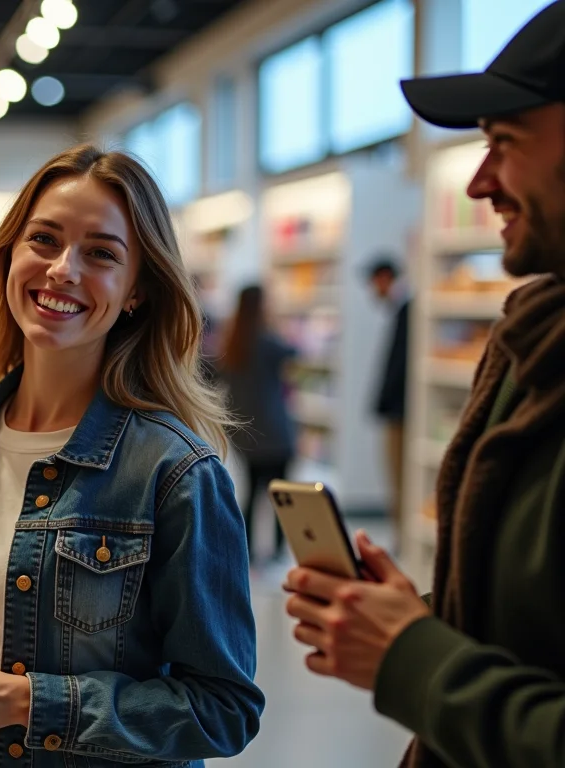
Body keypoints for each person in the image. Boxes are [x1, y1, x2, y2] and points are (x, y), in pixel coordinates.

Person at [0, 146, 263, 768]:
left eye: (101, 253)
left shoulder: (174, 472)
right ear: (8, 257)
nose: (62, 270)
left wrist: (23, 702)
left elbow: (223, 708)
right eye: (43, 239)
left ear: (136, 290)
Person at [285, 5, 565, 767]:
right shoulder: (531, 347)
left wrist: (415, 658)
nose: (479, 182)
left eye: (506, 142)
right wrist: (426, 618)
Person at [215, 284, 297, 562]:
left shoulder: (231, 342)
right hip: (275, 432)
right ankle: (277, 549)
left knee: (250, 493)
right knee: (281, 496)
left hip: (245, 433)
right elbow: (294, 353)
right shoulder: (269, 341)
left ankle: (247, 548)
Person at [367, 256, 410, 550]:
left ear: (383, 278)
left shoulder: (407, 309)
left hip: (400, 413)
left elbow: (398, 365)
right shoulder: (403, 308)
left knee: (399, 475)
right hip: (397, 411)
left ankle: (403, 537)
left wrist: (384, 402)